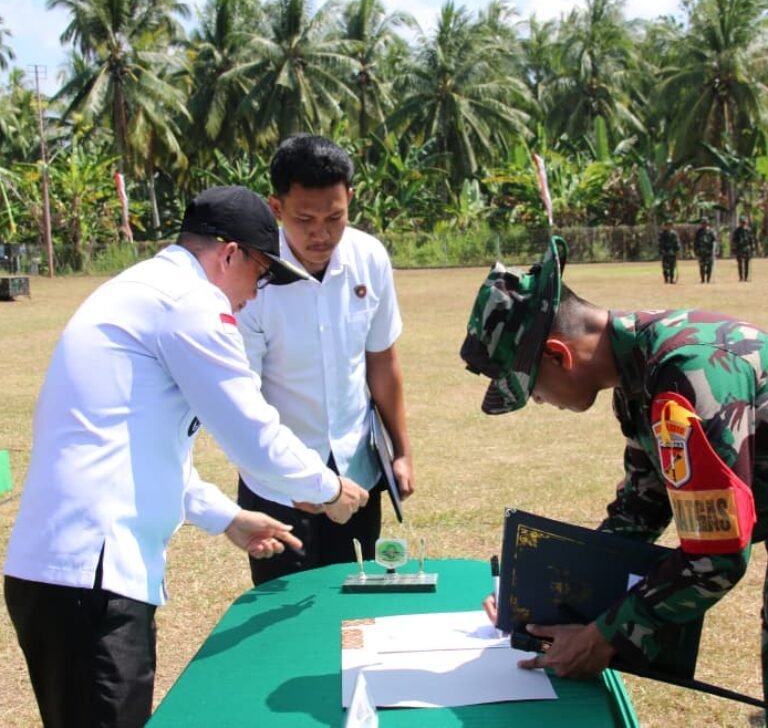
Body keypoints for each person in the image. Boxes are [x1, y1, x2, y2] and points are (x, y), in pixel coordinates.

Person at [3, 185, 369, 728]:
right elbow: (250, 429)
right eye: (261, 274)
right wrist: (330, 488)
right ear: (228, 255)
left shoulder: (147, 291)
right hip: (91, 578)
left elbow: (144, 446)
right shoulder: (190, 302)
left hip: (71, 574)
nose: (255, 294)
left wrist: (228, 518)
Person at [460, 236, 768, 702]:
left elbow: (717, 557)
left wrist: (604, 635)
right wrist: (542, 600)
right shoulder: (638, 374)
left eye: (534, 391)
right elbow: (639, 514)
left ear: (559, 355)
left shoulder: (683, 376)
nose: (542, 403)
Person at [236, 135, 414, 585]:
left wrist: (402, 453)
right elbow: (244, 397)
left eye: (335, 217)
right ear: (275, 208)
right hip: (276, 478)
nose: (322, 234)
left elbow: (382, 363)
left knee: (354, 597)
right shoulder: (251, 274)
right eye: (305, 219)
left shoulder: (369, 258)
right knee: (283, 610)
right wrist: (290, 477)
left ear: (350, 199)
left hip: (355, 468)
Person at [733, 215, 757, 282]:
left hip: (747, 248)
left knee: (747, 264)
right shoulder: (737, 231)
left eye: (744, 222)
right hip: (739, 248)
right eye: (742, 222)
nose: (743, 224)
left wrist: (753, 248)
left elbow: (751, 239)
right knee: (740, 264)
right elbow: (734, 240)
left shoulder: (748, 230)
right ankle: (741, 277)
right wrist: (734, 248)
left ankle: (746, 278)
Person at [694, 215, 717, 283]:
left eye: (705, 223)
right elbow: (696, 242)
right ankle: (703, 279)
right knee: (702, 266)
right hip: (701, 252)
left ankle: (708, 279)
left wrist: (714, 250)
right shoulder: (699, 232)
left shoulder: (711, 231)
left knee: (709, 266)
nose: (704, 224)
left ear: (707, 223)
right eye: (702, 223)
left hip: (709, 252)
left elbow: (714, 241)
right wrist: (696, 251)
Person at [658, 219, 681, 284]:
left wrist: (677, 250)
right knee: (665, 267)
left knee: (672, 267)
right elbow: (660, 243)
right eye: (667, 225)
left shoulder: (674, 234)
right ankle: (666, 279)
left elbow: (677, 242)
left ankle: (671, 279)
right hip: (665, 252)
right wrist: (661, 250)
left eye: (670, 225)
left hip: (672, 252)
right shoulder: (662, 234)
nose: (669, 226)